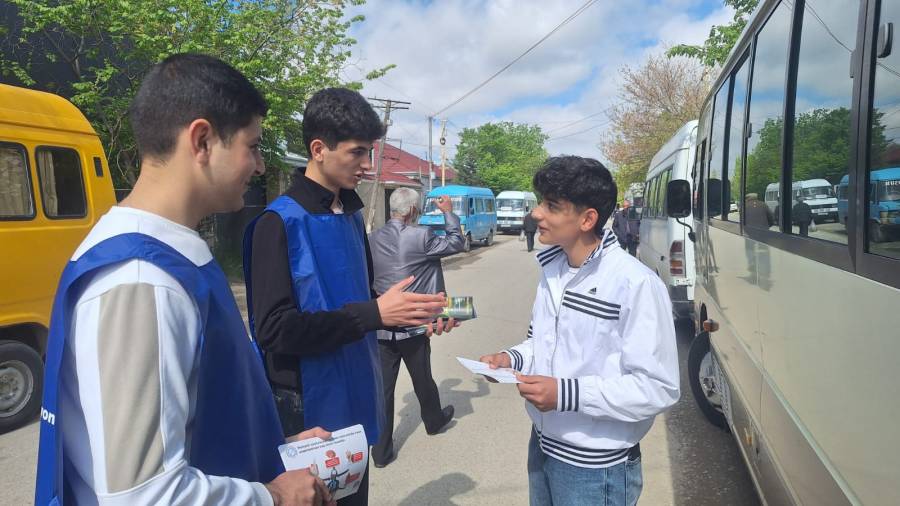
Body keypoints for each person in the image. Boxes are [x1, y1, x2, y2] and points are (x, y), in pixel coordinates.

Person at [35, 54, 333, 506]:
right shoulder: (141, 280)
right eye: (252, 146)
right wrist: (273, 495)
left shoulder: (165, 254)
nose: (259, 166)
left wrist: (275, 445)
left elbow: (193, 415)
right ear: (202, 141)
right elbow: (143, 495)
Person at [243, 88, 450, 506]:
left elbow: (367, 299)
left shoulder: (353, 217)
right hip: (307, 405)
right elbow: (273, 331)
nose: (367, 165)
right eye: (357, 152)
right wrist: (372, 314)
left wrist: (417, 313)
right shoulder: (277, 223)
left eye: (369, 152)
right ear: (318, 149)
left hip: (356, 385)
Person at [479, 156, 680, 506]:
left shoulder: (635, 283)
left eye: (551, 206)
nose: (536, 214)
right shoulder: (554, 271)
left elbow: (657, 387)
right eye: (540, 202)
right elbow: (541, 342)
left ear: (587, 219)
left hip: (595, 468)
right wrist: (510, 359)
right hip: (542, 445)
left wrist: (565, 394)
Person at [368, 188, 464, 467]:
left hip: (381, 326)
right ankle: (434, 421)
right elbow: (457, 242)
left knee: (383, 390)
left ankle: (381, 453)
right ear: (412, 210)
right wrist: (448, 212)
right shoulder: (422, 235)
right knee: (423, 378)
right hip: (414, 325)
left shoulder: (371, 239)